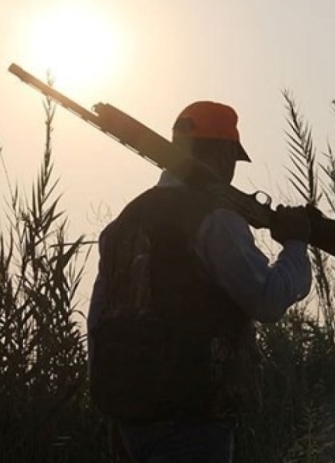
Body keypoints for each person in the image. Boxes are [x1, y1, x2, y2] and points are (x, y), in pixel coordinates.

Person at [87, 100, 312, 463]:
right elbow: (267, 300)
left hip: (129, 417)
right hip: (192, 414)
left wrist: (116, 406)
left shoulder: (124, 222)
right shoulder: (215, 218)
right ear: (224, 157)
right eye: (231, 160)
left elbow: (98, 321)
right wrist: (296, 244)